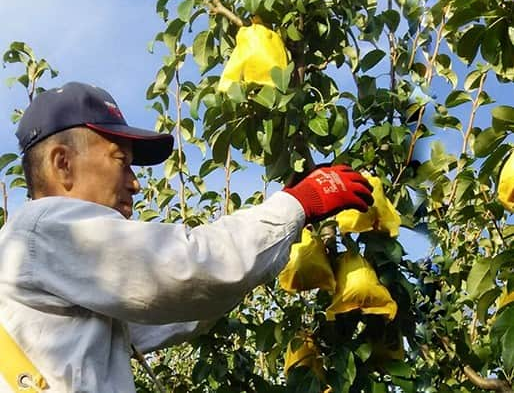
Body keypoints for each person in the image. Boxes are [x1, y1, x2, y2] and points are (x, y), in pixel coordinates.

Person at [0, 82, 373, 392]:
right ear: (63, 164)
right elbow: (189, 268)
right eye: (121, 161)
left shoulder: (66, 275)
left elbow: (185, 306)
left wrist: (285, 229)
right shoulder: (44, 227)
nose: (134, 183)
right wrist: (297, 203)